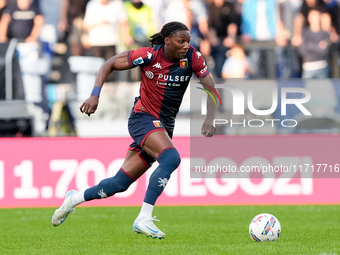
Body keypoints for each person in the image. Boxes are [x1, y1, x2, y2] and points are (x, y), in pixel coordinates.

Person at [51, 21, 219, 239]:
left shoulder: (193, 58)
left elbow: (211, 88)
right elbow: (109, 64)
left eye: (188, 41)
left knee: (118, 184)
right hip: (143, 119)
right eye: (181, 41)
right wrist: (95, 94)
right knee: (171, 158)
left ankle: (73, 199)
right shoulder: (149, 55)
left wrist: (210, 118)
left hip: (164, 127)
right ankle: (144, 218)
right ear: (167, 41)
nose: (187, 45)